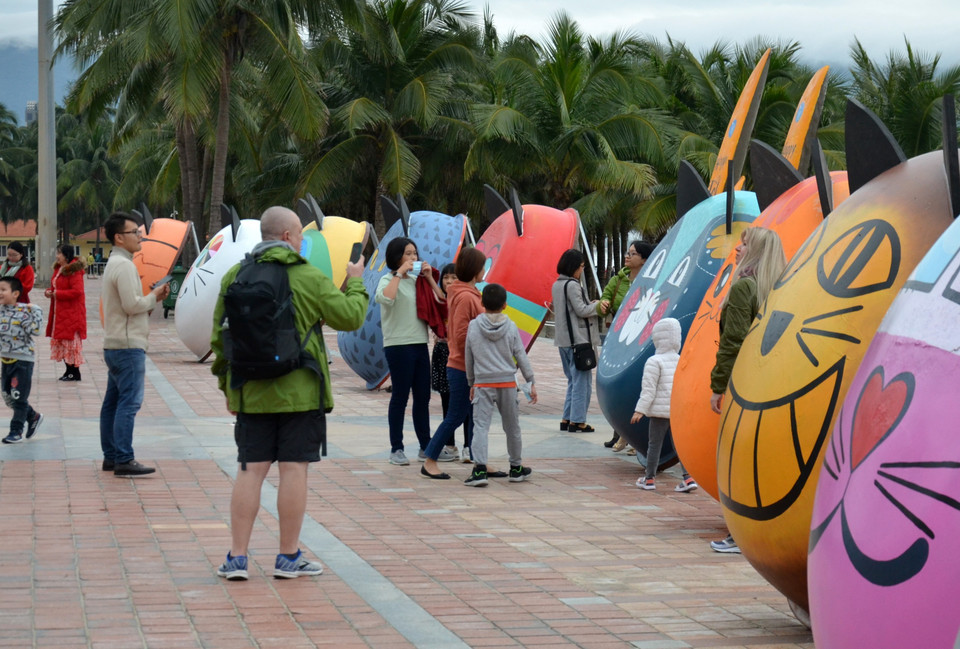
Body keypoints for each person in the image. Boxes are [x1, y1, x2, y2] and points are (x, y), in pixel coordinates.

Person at [211, 206, 368, 581]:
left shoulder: (236, 274)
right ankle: (287, 557)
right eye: (300, 235)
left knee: (250, 471)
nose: (302, 242)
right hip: (301, 393)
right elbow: (350, 316)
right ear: (286, 236)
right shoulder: (308, 276)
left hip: (251, 392)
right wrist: (357, 280)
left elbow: (220, 339)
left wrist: (229, 389)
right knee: (294, 469)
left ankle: (237, 558)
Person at [708, 227, 786, 553]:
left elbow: (733, 343)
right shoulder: (776, 288)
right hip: (769, 383)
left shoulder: (744, 288)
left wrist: (717, 385)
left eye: (744, 244)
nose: (738, 249)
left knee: (738, 462)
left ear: (756, 252)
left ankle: (741, 536)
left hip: (743, 387)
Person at [100, 212, 170, 477]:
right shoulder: (125, 265)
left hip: (115, 342)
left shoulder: (114, 263)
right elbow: (132, 305)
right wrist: (153, 296)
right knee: (128, 403)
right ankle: (124, 459)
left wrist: (150, 298)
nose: (139, 237)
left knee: (113, 403)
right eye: (134, 233)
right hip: (128, 345)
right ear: (119, 237)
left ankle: (111, 456)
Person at [459, 283, 537, 487]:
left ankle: (479, 470)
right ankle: (516, 468)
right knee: (512, 427)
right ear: (505, 305)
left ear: (482, 303)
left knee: (481, 427)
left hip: (483, 383)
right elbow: (520, 354)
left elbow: (469, 356)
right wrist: (530, 380)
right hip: (507, 383)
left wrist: (471, 382)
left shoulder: (474, 326)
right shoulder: (511, 326)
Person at [376, 237, 445, 466]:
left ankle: (426, 446)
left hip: (419, 343)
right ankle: (396, 448)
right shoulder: (387, 279)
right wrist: (399, 274)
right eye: (408, 254)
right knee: (400, 397)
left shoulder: (419, 281)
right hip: (397, 345)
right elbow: (387, 297)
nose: (413, 258)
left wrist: (429, 278)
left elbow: (442, 302)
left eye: (415, 253)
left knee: (423, 397)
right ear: (396, 257)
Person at [420, 247, 487, 478]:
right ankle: (430, 460)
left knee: (474, 416)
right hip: (463, 367)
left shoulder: (464, 293)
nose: (485, 269)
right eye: (482, 265)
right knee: (456, 416)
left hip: (467, 366)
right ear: (475, 269)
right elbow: (460, 334)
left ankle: (481, 462)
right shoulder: (467, 296)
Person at [629, 317, 697, 492]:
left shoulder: (654, 361)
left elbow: (648, 390)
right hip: (677, 411)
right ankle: (688, 478)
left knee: (654, 445)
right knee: (680, 446)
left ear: (657, 338)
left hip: (659, 413)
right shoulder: (681, 360)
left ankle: (649, 479)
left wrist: (640, 410)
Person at [598, 241, 654, 449]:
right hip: (619, 339)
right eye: (627, 253)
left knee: (640, 385)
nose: (628, 257)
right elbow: (604, 301)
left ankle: (634, 437)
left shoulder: (652, 280)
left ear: (645, 259)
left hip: (642, 340)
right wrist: (602, 304)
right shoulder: (619, 280)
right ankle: (622, 433)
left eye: (633, 253)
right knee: (619, 385)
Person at [551, 249, 600, 433]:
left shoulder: (557, 285)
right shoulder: (572, 285)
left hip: (563, 341)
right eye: (581, 266)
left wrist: (589, 304)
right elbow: (581, 310)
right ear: (574, 266)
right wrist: (597, 306)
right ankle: (578, 421)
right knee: (582, 383)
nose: (582, 270)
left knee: (572, 381)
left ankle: (567, 417)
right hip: (578, 342)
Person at [430, 263, 472, 461]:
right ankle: (450, 445)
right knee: (447, 400)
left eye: (453, 278)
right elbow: (438, 296)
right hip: (442, 353)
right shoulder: (441, 301)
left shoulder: (461, 300)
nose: (449, 281)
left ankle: (468, 445)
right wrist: (430, 277)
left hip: (460, 354)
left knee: (467, 403)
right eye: (446, 278)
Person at [0, 277, 44, 444]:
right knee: (8, 395)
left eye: (3, 289)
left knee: (18, 396)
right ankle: (33, 416)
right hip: (6, 360)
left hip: (23, 360)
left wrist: (36, 311)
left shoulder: (23, 311)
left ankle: (16, 431)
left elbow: (37, 330)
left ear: (16, 293)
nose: (0, 293)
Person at [45, 244, 87, 382]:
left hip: (72, 313)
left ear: (66, 256)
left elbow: (77, 291)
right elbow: (55, 286)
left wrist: (57, 294)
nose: (57, 256)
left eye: (59, 254)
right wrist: (49, 292)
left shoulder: (74, 271)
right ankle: (69, 371)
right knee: (62, 343)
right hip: (60, 312)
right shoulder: (59, 269)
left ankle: (74, 372)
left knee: (71, 344)